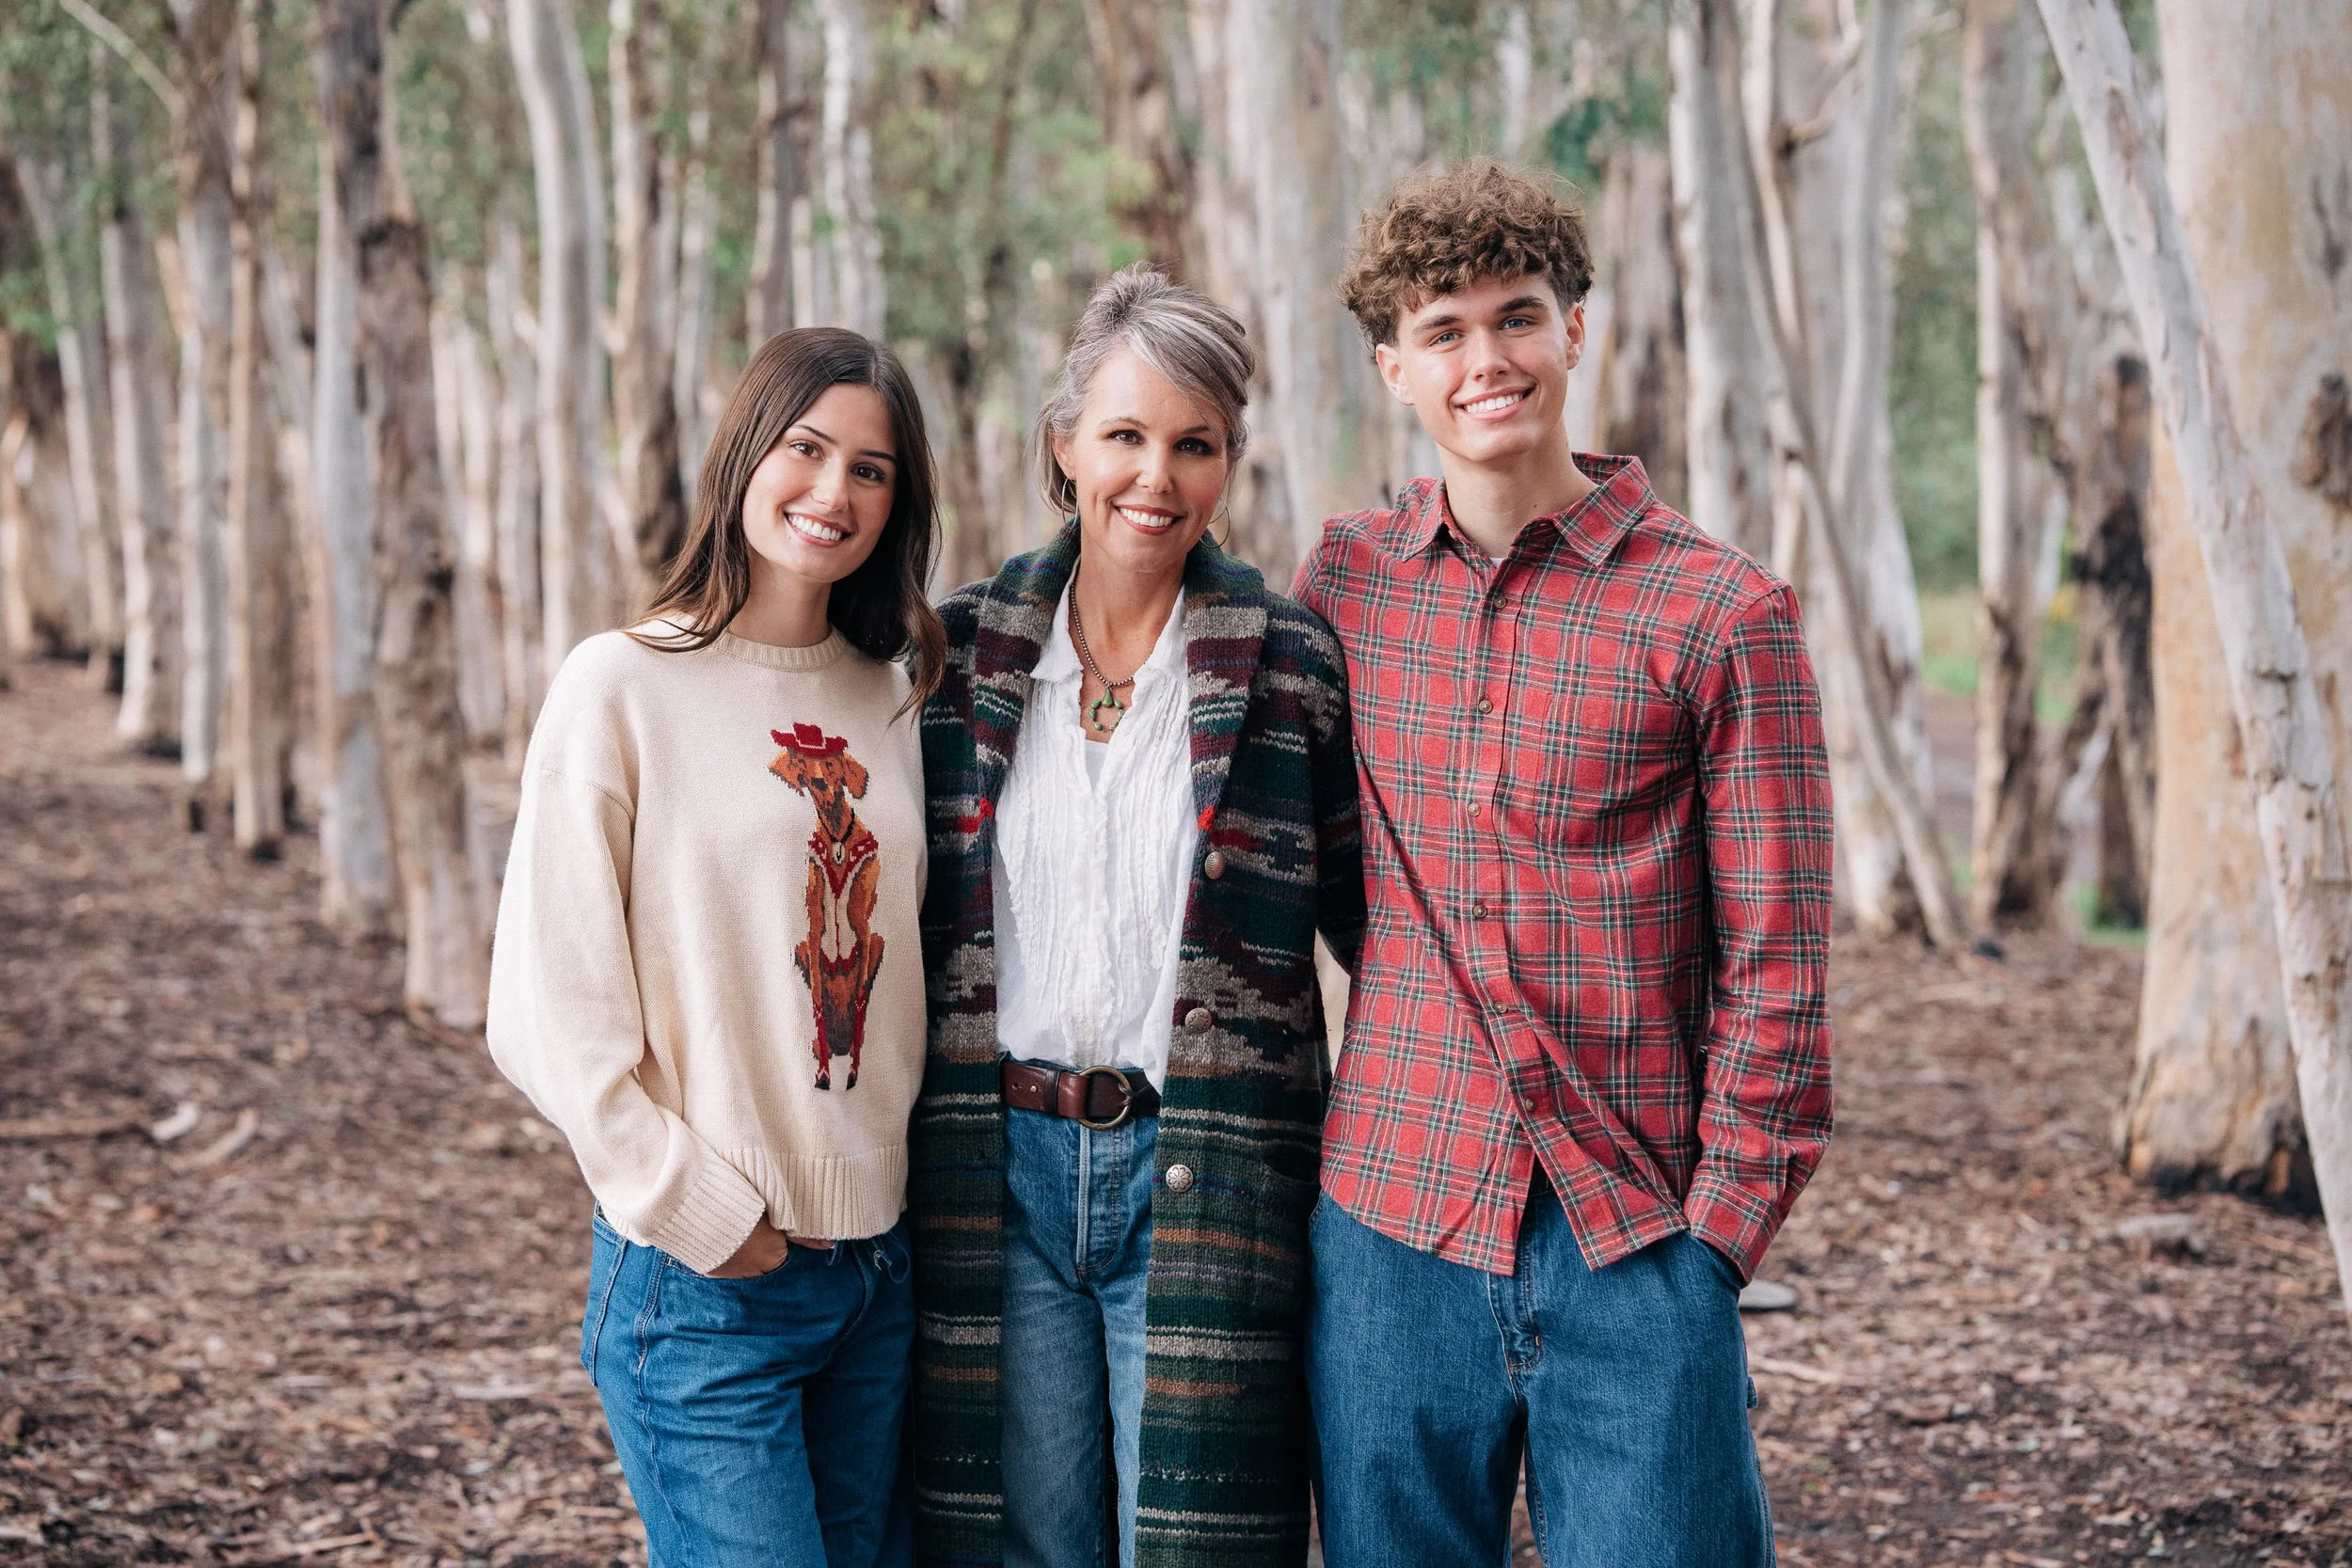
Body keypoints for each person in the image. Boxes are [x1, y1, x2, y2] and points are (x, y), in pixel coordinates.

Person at [1291, 161, 1835, 1568]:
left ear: (1576, 330)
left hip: (1636, 1231)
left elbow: (1780, 964)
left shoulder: (1723, 612)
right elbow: (1339, 880)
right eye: (1446, 331)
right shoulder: (1345, 584)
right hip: (1393, 1223)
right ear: (1392, 369)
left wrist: (1714, 1242)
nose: (1489, 360)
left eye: (1517, 317)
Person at [907, 265, 1365, 1568]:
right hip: (999, 1173)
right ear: (1065, 445)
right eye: (1124, 435)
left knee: (1200, 1543)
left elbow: (1372, 932)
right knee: (1030, 1540)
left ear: (1229, 460)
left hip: (1209, 1169)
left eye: (1194, 444)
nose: (1155, 476)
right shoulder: (959, 657)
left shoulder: (1287, 664)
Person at [485, 327, 947, 1568]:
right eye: (806, 448)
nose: (833, 491)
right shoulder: (623, 685)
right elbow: (543, 998)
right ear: (745, 453)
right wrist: (688, 1203)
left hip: (878, 1275)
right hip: (705, 1290)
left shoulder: (892, 697)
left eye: (872, 468)